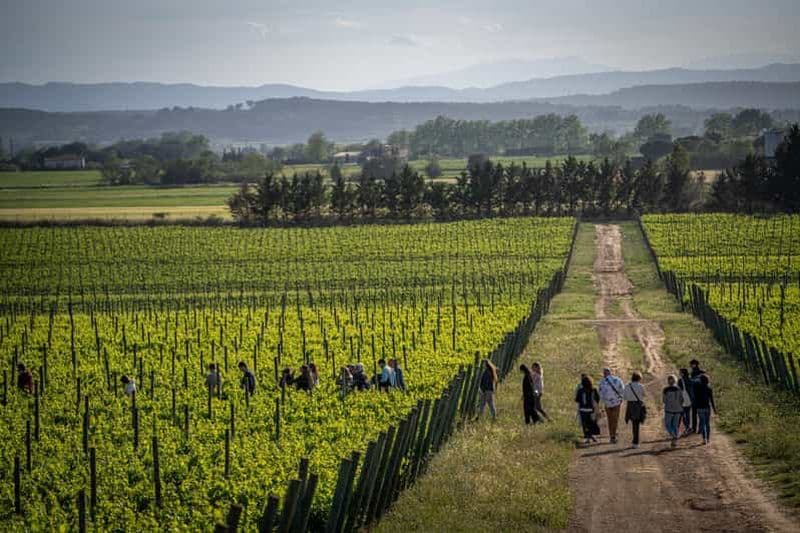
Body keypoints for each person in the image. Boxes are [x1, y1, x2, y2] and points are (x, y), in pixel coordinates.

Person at [598, 367, 625, 443]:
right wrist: (620, 398)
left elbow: (600, 394)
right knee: (615, 419)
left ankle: (611, 436)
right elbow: (622, 390)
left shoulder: (601, 382)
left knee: (609, 420)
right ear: (610, 372)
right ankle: (614, 435)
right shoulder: (617, 380)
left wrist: (603, 402)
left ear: (604, 373)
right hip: (616, 402)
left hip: (607, 403)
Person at [623, 372, 647, 448]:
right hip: (638, 406)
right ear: (639, 378)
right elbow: (644, 395)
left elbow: (625, 397)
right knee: (636, 424)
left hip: (630, 406)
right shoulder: (641, 386)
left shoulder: (627, 386)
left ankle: (635, 441)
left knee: (634, 424)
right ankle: (635, 442)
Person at [575, 375, 600, 443]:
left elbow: (577, 400)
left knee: (585, 424)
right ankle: (593, 435)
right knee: (592, 423)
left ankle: (588, 438)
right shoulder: (593, 390)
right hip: (591, 409)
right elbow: (597, 399)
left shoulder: (580, 390)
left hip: (583, 410)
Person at [693, 374, 717, 444]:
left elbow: (695, 399)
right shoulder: (709, 388)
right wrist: (714, 409)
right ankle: (708, 438)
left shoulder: (697, 388)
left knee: (702, 423)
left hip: (700, 408)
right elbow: (712, 399)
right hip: (707, 408)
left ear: (700, 380)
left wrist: (695, 407)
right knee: (707, 424)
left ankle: (704, 439)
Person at [662, 375, 684, 448]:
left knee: (668, 424)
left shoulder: (665, 389)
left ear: (668, 381)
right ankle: (674, 442)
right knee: (675, 426)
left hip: (669, 410)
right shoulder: (679, 389)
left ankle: (674, 436)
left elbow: (664, 400)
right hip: (678, 410)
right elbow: (682, 399)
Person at [689, 359, 706, 433]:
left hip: (696, 395)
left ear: (695, 364)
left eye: (692, 364)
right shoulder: (701, 372)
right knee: (699, 413)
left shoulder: (695, 373)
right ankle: (700, 428)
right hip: (700, 395)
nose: (691, 366)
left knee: (695, 413)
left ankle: (695, 428)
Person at [677, 368, 693, 435]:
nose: (679, 373)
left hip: (683, 399)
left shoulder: (680, 380)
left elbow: (679, 390)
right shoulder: (690, 379)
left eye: (680, 372)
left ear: (682, 373)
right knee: (688, 414)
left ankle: (685, 427)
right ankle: (688, 427)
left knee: (682, 414)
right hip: (689, 399)